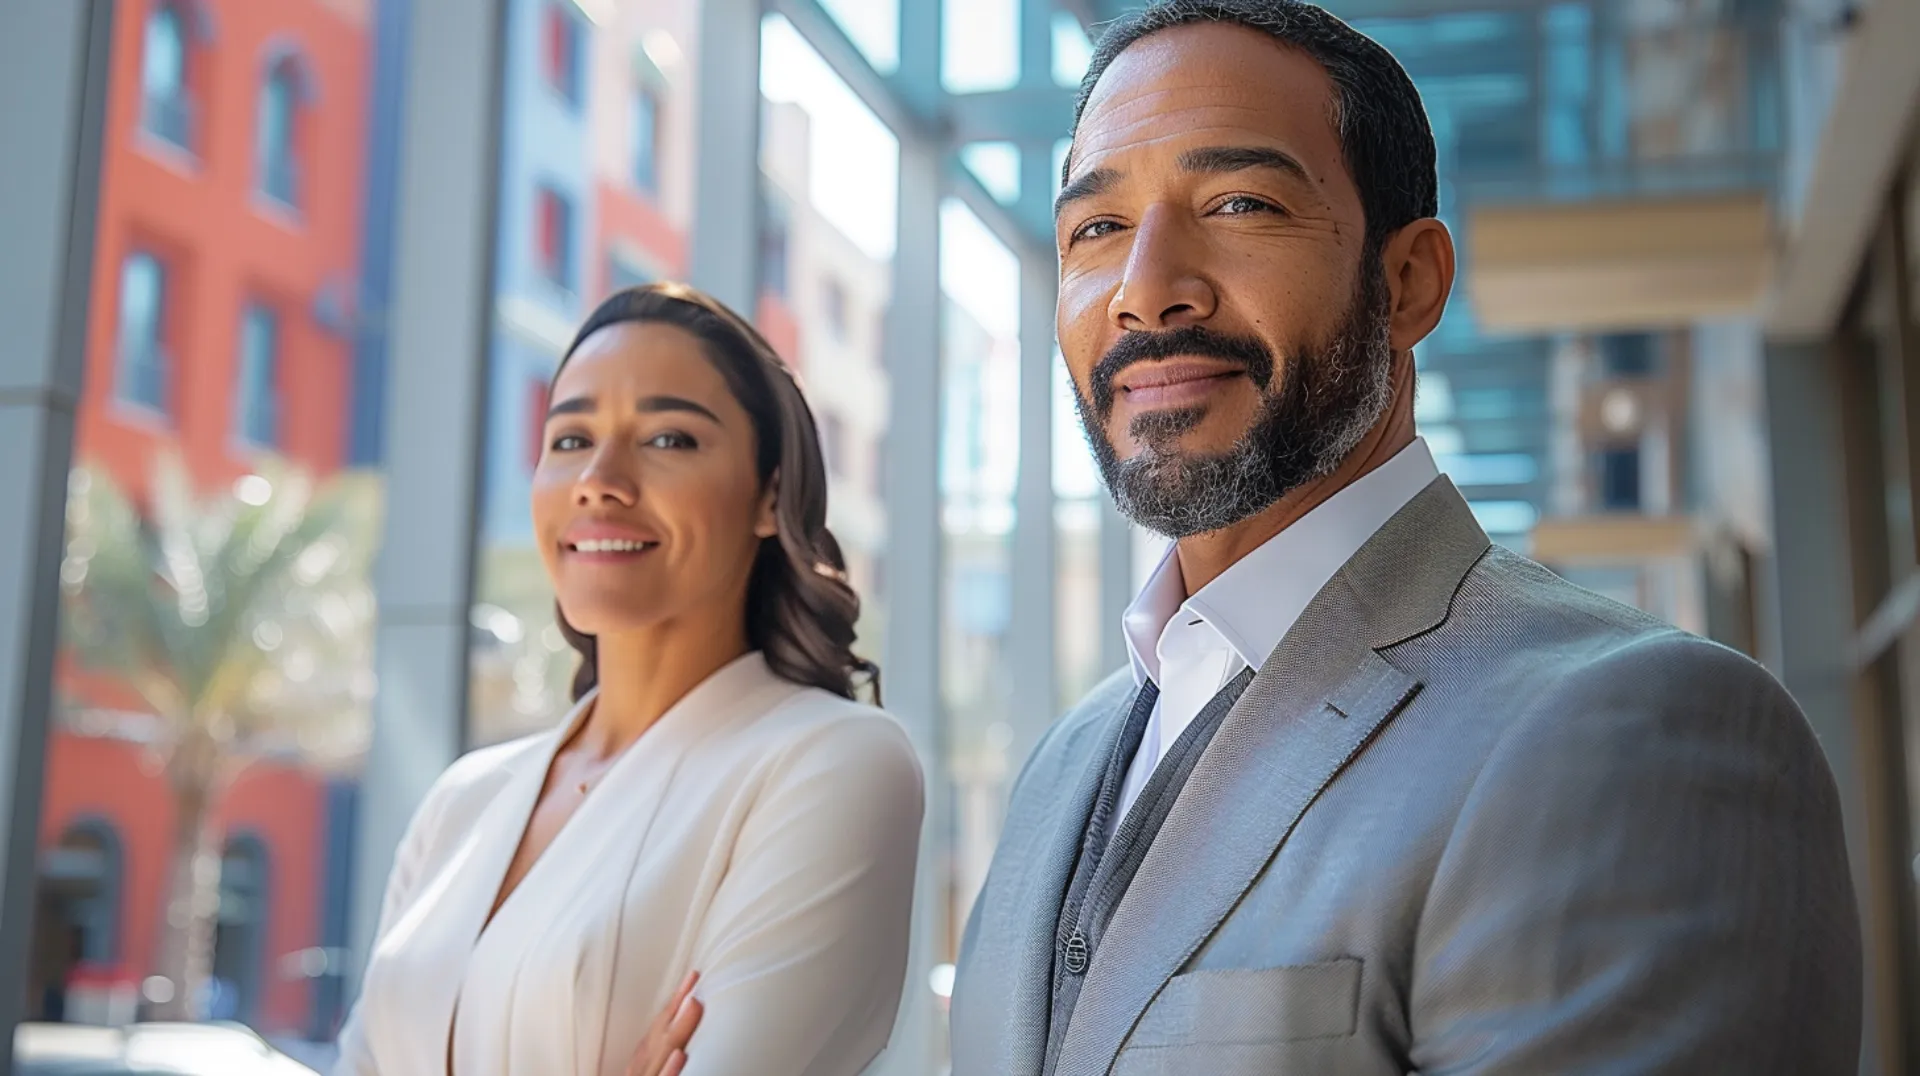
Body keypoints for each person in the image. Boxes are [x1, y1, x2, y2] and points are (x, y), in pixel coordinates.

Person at [950, 3, 1861, 1074]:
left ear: (1408, 282)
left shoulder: (1633, 729)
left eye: (1240, 203)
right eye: (1096, 229)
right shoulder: (1061, 766)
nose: (1146, 291)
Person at [336, 283, 924, 1076]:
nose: (599, 478)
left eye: (669, 439)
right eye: (571, 439)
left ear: (770, 492)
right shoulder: (462, 802)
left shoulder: (834, 764)